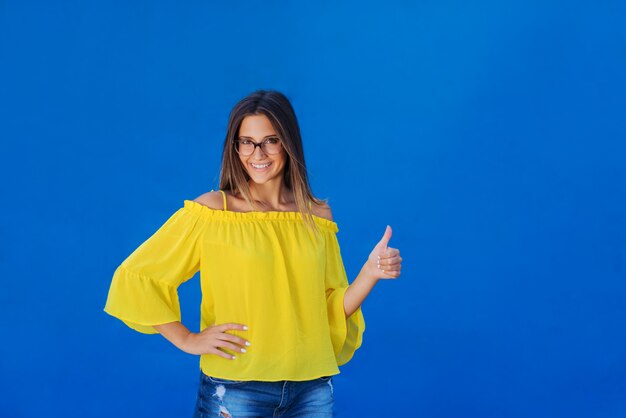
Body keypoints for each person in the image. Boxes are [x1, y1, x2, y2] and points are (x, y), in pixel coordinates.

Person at [103, 90, 402, 417]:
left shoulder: (317, 214)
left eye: (270, 140)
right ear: (235, 147)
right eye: (246, 142)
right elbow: (139, 277)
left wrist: (370, 273)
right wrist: (187, 339)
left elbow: (328, 309)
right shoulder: (214, 211)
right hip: (237, 387)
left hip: (311, 387)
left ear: (288, 143)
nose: (257, 153)